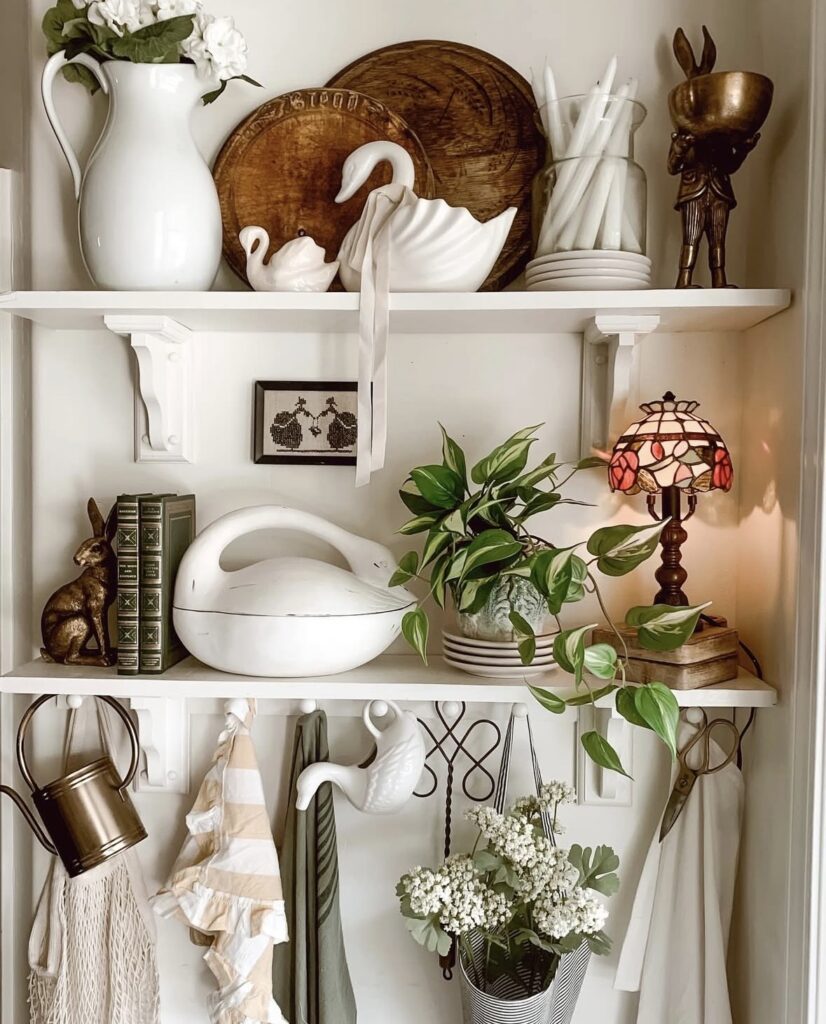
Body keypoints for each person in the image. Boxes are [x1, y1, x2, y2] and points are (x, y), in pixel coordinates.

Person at [668, 129, 759, 288]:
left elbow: (730, 165)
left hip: (719, 191)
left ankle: (719, 281)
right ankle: (683, 280)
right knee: (691, 239)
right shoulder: (686, 131)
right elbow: (672, 167)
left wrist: (742, 151)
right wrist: (678, 150)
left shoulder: (723, 136)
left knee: (718, 241)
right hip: (694, 190)